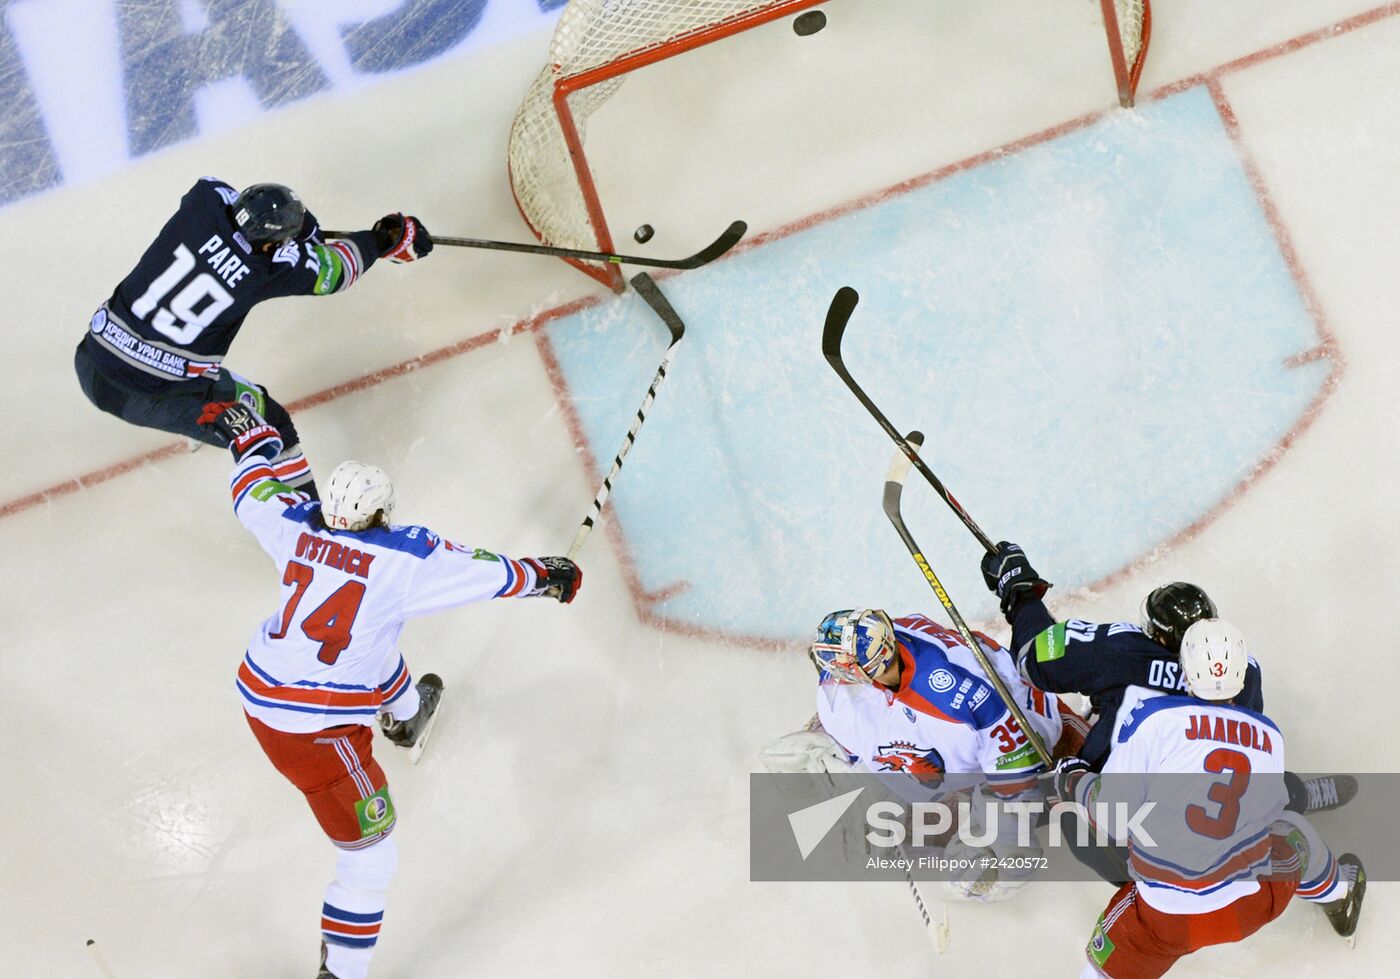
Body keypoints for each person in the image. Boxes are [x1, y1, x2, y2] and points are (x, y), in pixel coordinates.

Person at [199, 400, 581, 979]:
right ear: (381, 511)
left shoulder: (295, 524)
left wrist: (247, 442)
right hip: (317, 733)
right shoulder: (405, 559)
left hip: (260, 688)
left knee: (372, 644)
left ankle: (405, 715)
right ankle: (343, 974)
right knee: (372, 855)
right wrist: (547, 577)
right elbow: (484, 571)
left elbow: (252, 492)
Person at [76, 178, 434, 498]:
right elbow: (336, 271)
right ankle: (312, 533)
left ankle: (192, 419)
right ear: (269, 247)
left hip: (92, 357)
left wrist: (297, 234)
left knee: (196, 372)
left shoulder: (204, 201)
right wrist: (384, 240)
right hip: (152, 396)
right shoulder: (269, 269)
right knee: (272, 424)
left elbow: (221, 191)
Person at [1048, 618, 1365, 977]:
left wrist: (1073, 779)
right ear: (1242, 676)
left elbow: (1113, 816)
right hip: (1250, 908)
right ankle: (1340, 896)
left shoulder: (1153, 720)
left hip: (1164, 921)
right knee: (1292, 829)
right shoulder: (1269, 734)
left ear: (1186, 672)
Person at [979, 542, 1354, 816]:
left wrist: (1020, 591)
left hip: (1126, 801)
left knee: (1072, 777)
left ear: (1159, 637)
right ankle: (1291, 796)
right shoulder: (1244, 668)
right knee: (1261, 781)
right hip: (1214, 800)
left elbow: (1032, 659)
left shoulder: (1120, 652)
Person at [762, 608, 1085, 900]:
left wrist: (1003, 849)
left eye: (839, 669)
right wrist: (834, 745)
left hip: (1021, 741)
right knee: (804, 755)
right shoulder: (879, 647)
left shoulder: (960, 702)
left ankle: (994, 862)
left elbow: (1017, 780)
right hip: (948, 746)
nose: (831, 674)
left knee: (993, 849)